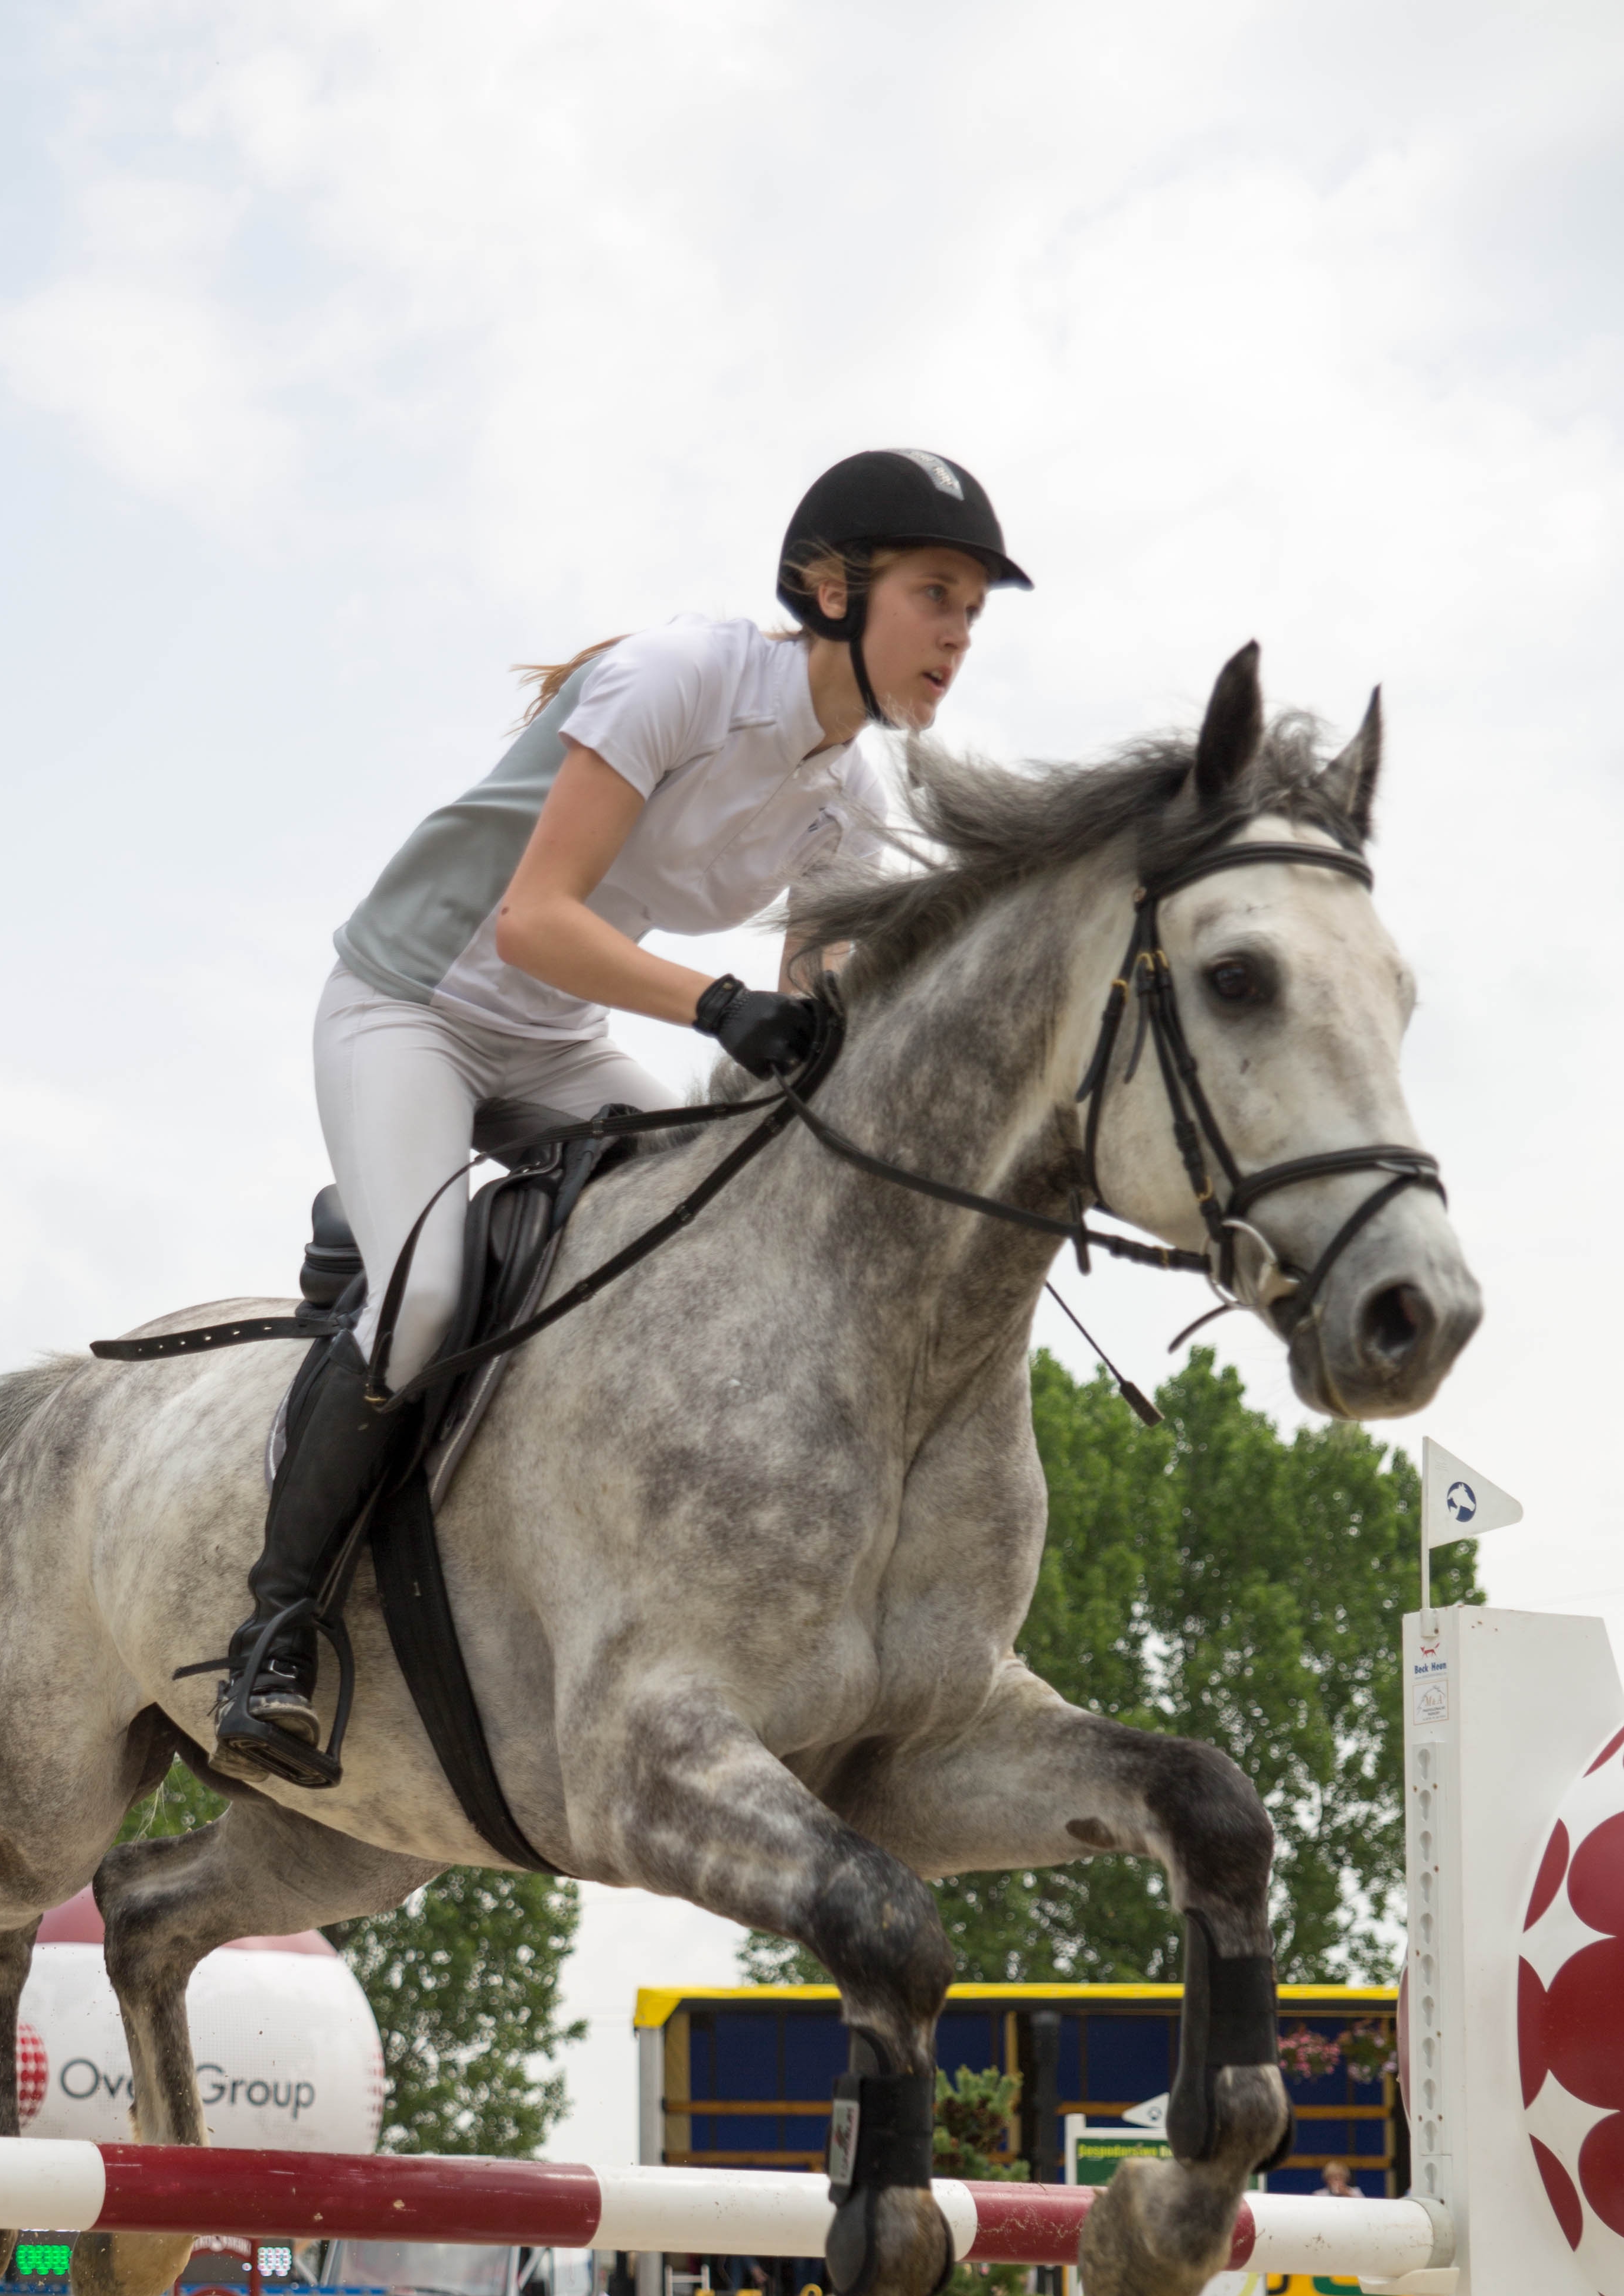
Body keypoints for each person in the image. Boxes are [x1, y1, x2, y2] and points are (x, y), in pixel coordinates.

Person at [212, 448, 1030, 1787]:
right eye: (934, 594)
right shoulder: (681, 678)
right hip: (406, 1006)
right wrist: (717, 1009)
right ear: (829, 590)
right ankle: (274, 1632)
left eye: (972, 613)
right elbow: (536, 920)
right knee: (424, 1303)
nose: (954, 634)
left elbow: (810, 1019)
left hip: (549, 1041)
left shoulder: (850, 800)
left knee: (698, 1244)